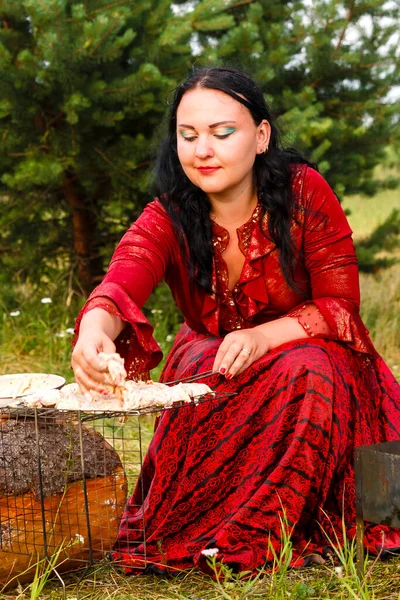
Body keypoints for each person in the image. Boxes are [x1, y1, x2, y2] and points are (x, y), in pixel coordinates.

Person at [72, 66, 400, 575]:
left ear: (261, 136)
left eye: (223, 133)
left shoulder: (304, 193)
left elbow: (340, 307)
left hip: (319, 357)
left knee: (307, 367)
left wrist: (264, 335)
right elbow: (123, 278)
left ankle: (294, 524)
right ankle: (223, 526)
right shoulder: (169, 215)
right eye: (188, 135)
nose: (203, 150)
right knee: (221, 367)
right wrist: (94, 331)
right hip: (216, 358)